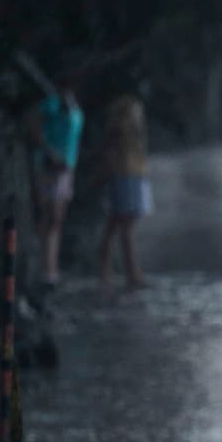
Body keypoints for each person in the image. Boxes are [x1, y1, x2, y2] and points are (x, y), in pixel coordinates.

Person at [28, 70, 85, 289]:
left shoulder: (74, 106)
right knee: (48, 215)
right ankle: (43, 266)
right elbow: (33, 125)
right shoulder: (52, 103)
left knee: (57, 218)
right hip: (49, 165)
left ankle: (51, 267)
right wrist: (49, 152)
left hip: (66, 168)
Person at [98, 94, 153, 291]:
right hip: (125, 176)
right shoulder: (120, 132)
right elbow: (109, 155)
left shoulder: (132, 135)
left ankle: (109, 270)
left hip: (132, 176)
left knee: (117, 225)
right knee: (124, 227)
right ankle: (130, 273)